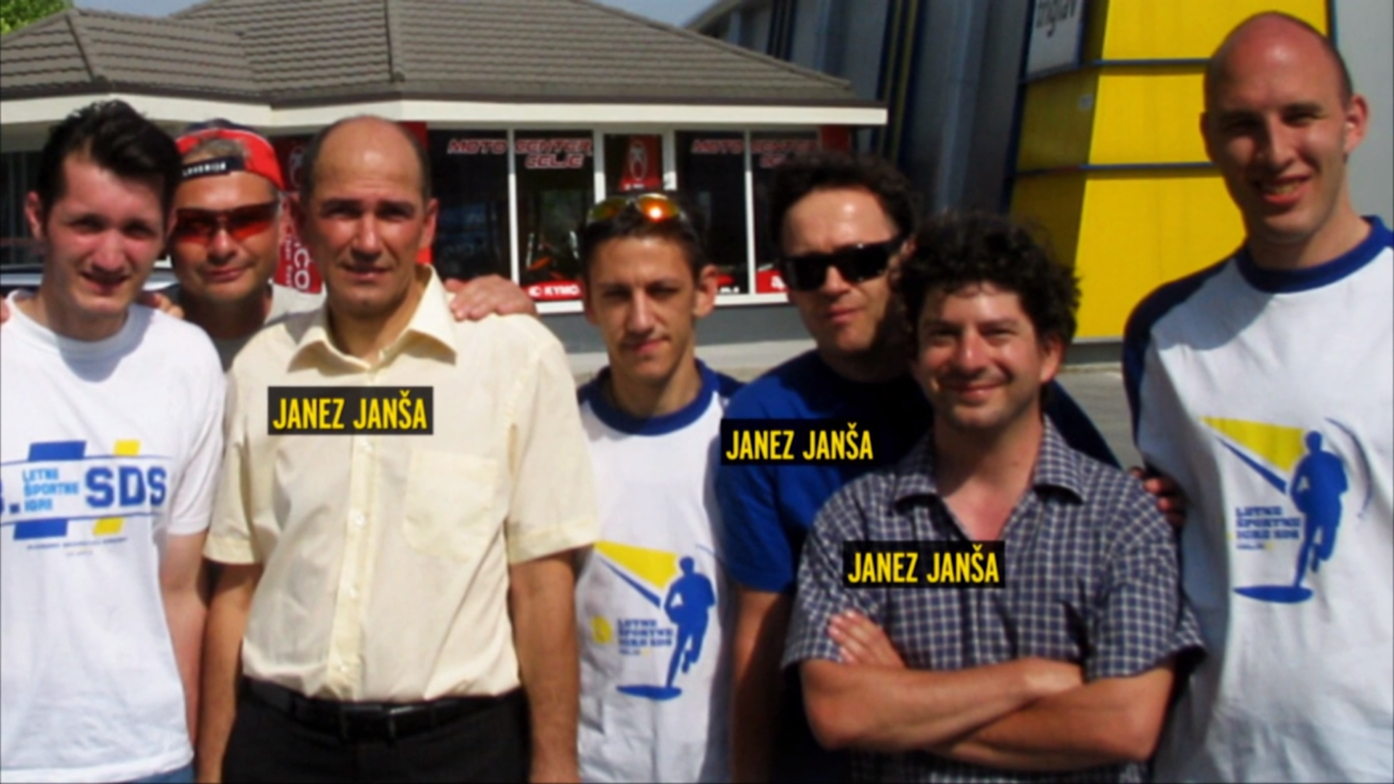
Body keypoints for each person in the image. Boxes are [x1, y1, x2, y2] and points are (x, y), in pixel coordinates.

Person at [198, 115, 597, 782]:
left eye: (393, 212)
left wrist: (555, 765)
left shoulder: (512, 359)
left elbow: (541, 586)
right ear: (300, 222)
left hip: (457, 751)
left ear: (428, 222)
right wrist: (213, 768)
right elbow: (236, 589)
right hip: (285, 747)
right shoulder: (264, 370)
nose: (367, 240)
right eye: (342, 211)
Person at [716, 151, 1121, 782]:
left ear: (907, 258)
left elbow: (1095, 534)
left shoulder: (987, 386)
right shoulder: (765, 424)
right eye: (808, 269)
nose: (834, 284)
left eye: (861, 260)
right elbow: (761, 624)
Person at [784, 211, 1204, 782]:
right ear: (915, 359)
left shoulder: (1122, 520)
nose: (969, 358)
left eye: (997, 333)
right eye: (943, 335)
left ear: (1050, 354)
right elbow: (841, 713)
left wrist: (905, 699)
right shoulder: (858, 523)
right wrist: (1028, 679)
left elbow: (1122, 726)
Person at [1123, 12, 1392, 782]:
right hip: (1214, 759)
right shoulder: (1166, 333)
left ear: (1353, 122)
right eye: (1244, 126)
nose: (1274, 152)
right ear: (1209, 138)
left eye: (1300, 116)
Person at [1, 100, 222, 783]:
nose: (109, 255)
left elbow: (181, 589)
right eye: (86, 224)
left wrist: (185, 748)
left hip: (149, 758)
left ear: (163, 235)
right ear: (37, 217)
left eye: (136, 230)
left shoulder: (186, 360)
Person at [0, 120, 537, 360]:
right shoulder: (134, 333)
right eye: (196, 224)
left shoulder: (329, 334)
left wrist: (504, 317)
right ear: (166, 231)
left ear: (287, 223)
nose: (222, 246)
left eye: (247, 220)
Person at [573, 192, 738, 781]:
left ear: (705, 292)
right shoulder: (556, 436)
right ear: (587, 303)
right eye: (617, 295)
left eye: (662, 291)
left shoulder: (755, 428)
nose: (640, 320)